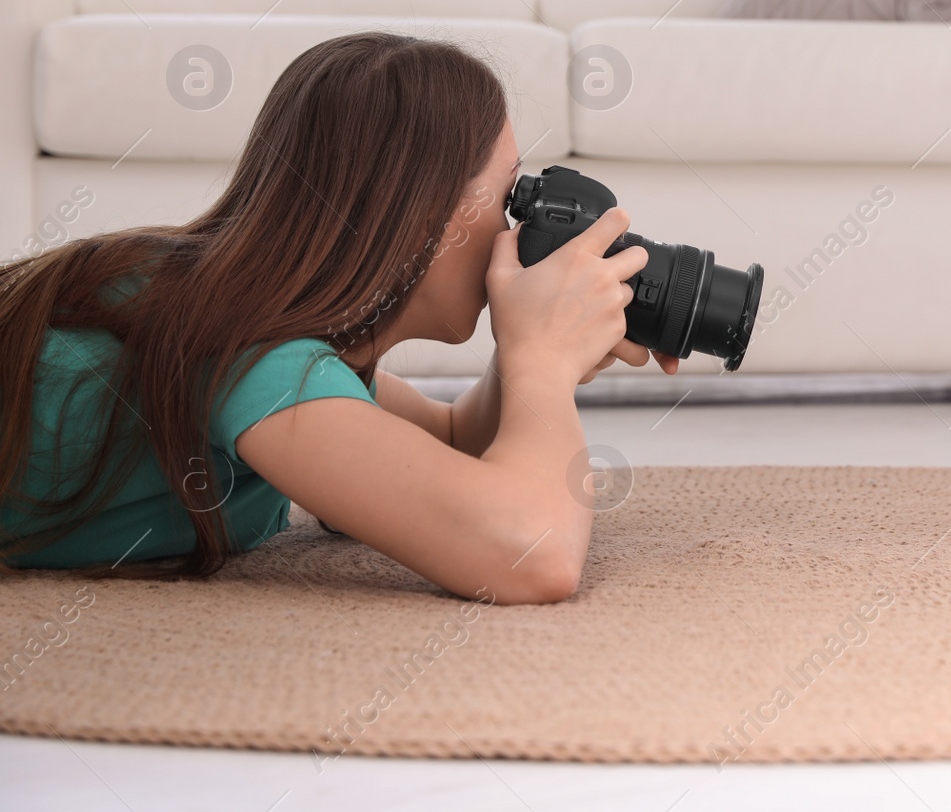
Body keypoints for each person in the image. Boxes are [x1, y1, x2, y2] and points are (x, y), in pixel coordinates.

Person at [0, 32, 671, 604]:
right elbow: (532, 554)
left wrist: (536, 350)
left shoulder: (274, 325)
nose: (518, 230)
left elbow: (450, 440)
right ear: (418, 221)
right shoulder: (251, 355)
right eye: (509, 197)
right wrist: (544, 367)